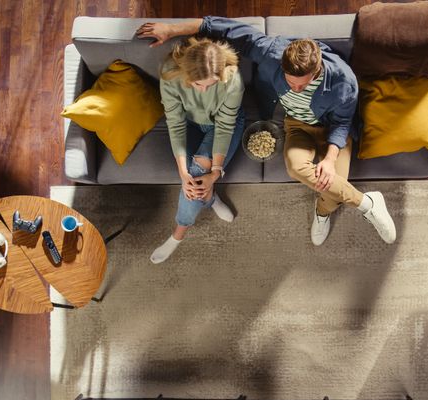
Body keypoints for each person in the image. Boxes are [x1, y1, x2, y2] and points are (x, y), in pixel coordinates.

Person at [137, 18, 397, 247]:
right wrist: (172, 28)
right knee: (297, 168)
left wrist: (329, 160)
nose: (294, 89)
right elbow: (221, 27)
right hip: (296, 125)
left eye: (302, 84)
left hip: (332, 133)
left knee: (332, 184)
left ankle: (323, 212)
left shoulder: (344, 80)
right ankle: (367, 204)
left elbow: (342, 122)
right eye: (289, 82)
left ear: (317, 71)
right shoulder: (272, 52)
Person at [138, 32, 247, 263]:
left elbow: (225, 125)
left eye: (211, 84)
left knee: (199, 173)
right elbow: (175, 123)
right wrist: (182, 173)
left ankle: (177, 235)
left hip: (223, 124)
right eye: (198, 84)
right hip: (190, 124)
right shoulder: (170, 74)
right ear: (187, 75)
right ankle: (210, 199)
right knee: (192, 176)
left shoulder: (232, 79)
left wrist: (215, 173)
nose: (204, 90)